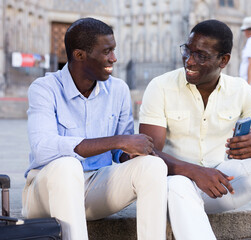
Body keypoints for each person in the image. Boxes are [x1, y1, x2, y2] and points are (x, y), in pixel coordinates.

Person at [139, 19, 251, 240]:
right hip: (178, 187)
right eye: (187, 50)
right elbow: (148, 153)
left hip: (223, 184)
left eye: (201, 55)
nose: (189, 60)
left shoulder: (239, 89)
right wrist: (194, 172)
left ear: (223, 60)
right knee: (177, 184)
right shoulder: (161, 86)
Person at [22, 18, 168, 240]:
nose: (114, 58)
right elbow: (43, 149)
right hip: (45, 193)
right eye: (107, 51)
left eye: (114, 50)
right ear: (80, 55)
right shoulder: (44, 88)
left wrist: (132, 153)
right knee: (67, 165)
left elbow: (120, 153)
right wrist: (117, 141)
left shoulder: (118, 90)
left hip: (96, 189)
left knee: (152, 166)